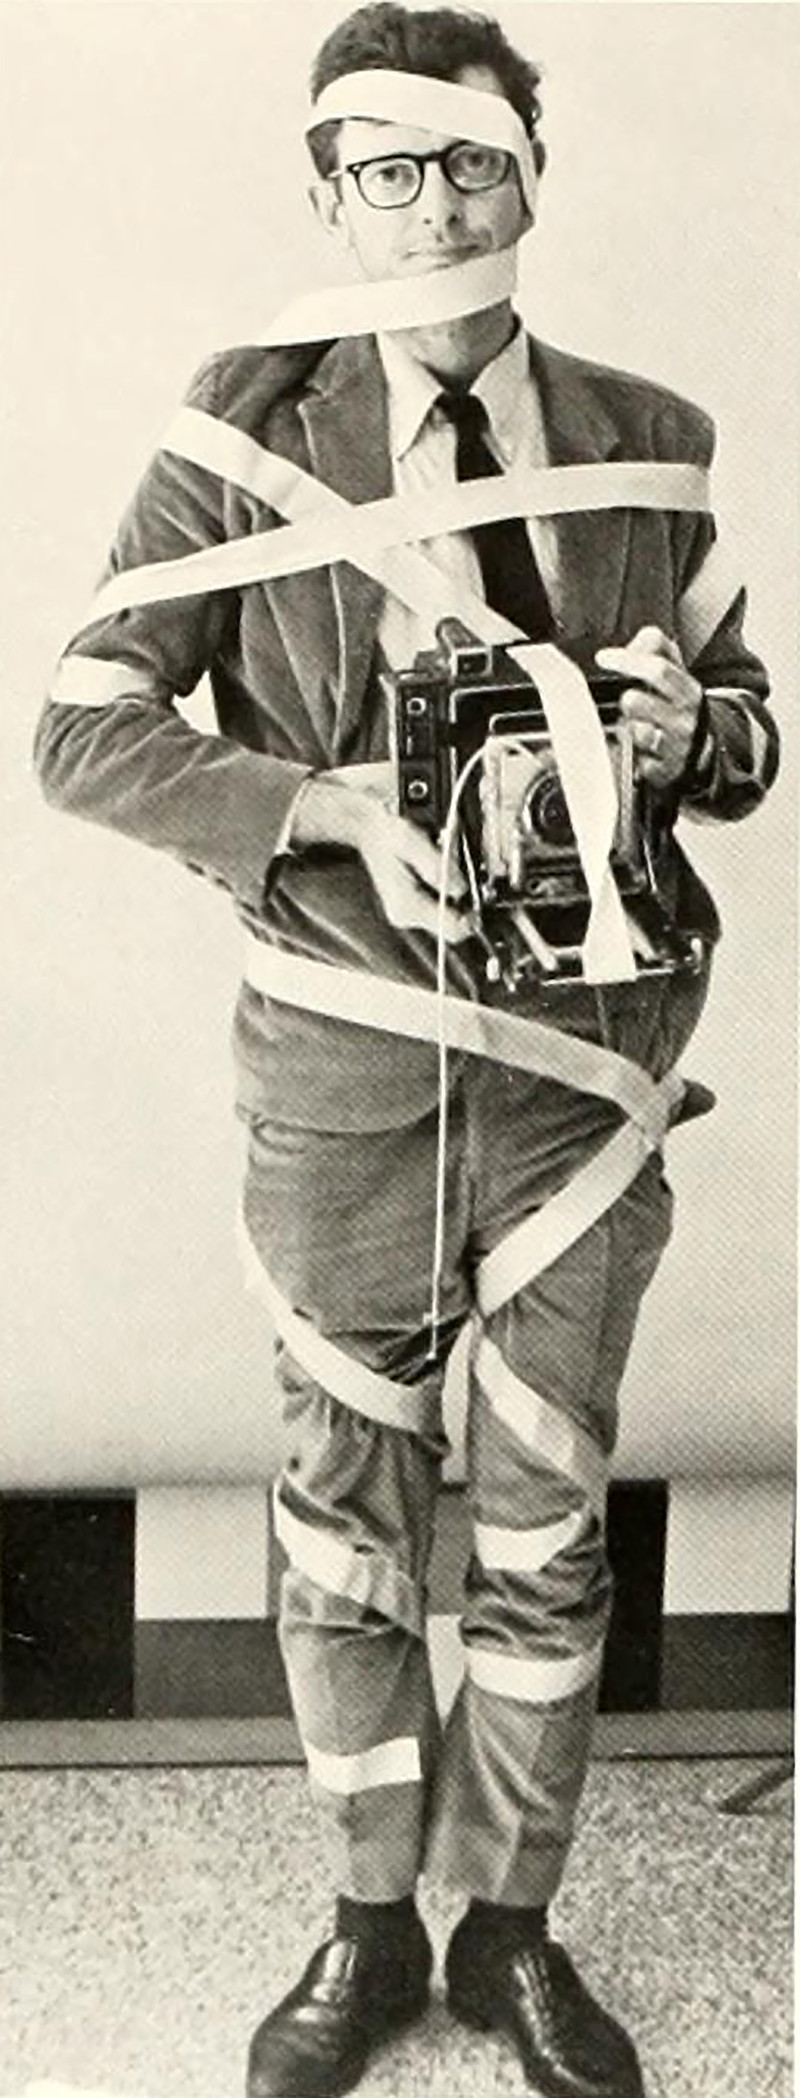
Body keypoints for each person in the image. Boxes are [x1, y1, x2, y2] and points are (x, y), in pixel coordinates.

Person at [34, 6, 778, 2095]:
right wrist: (325, 807)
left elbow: (750, 731)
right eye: (386, 169)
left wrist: (690, 737)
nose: (433, 204)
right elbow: (80, 734)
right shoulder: (238, 439)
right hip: (343, 1088)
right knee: (345, 1520)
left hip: (578, 1083)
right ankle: (368, 1918)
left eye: (468, 161)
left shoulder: (646, 438)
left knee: (547, 1521)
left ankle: (510, 1923)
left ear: (532, 173)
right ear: (326, 199)